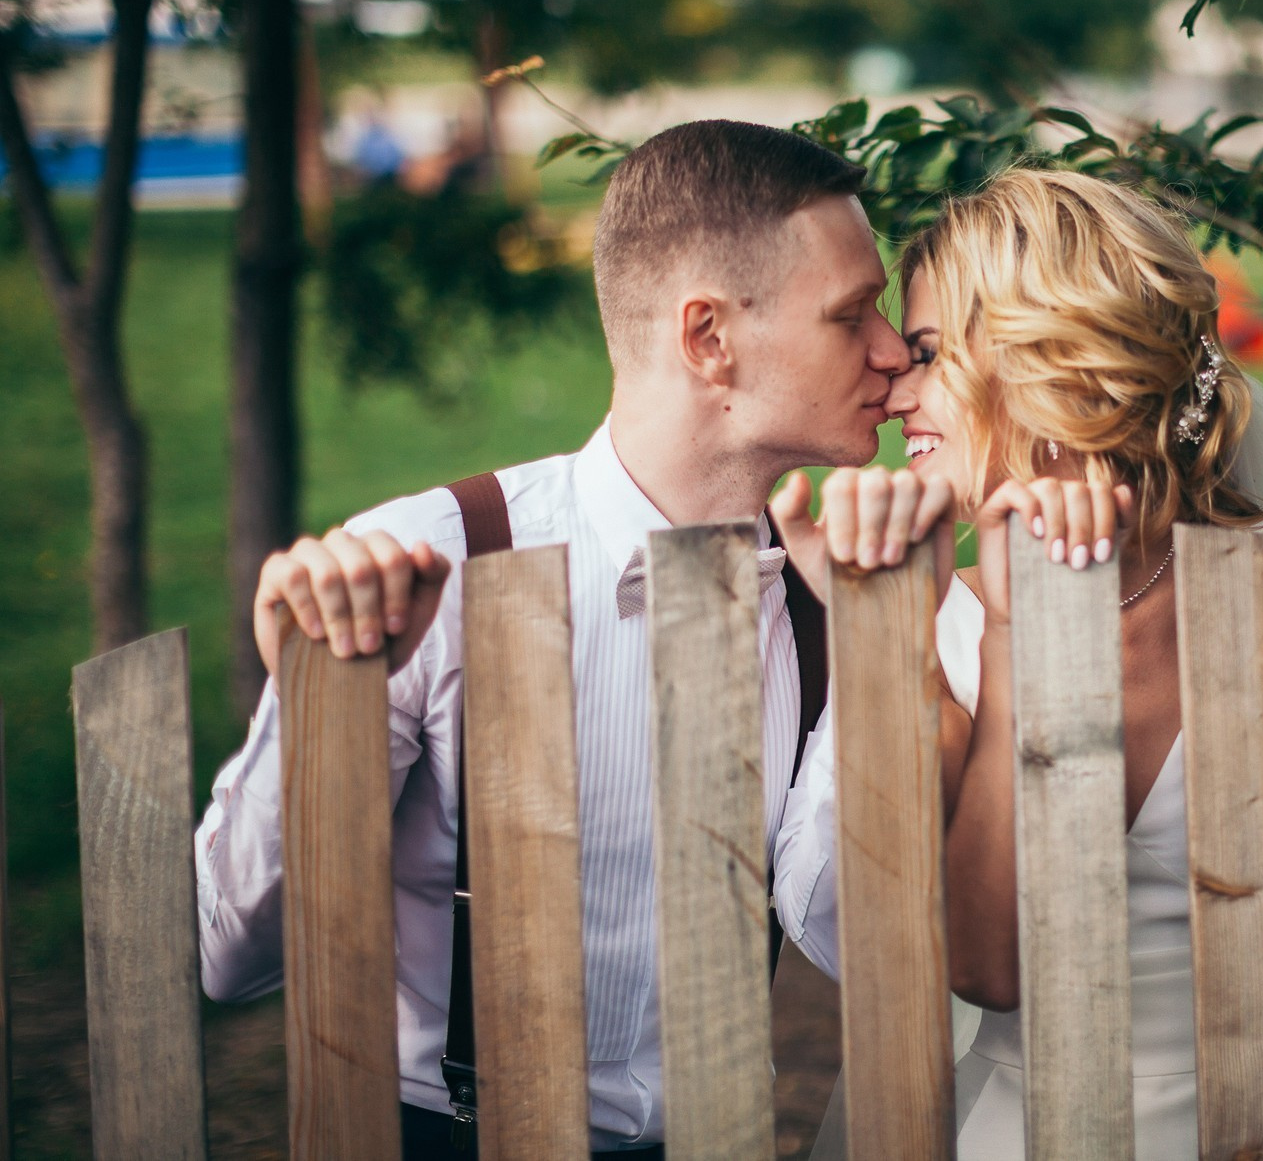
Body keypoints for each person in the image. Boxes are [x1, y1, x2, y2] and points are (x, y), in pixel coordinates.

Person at [194, 120, 930, 1158]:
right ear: (707, 337)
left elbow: (866, 944)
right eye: (852, 314)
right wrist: (323, 706)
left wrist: (881, 651)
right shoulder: (431, 564)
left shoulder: (825, 591)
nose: (893, 350)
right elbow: (230, 956)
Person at [771, 168, 1263, 1158]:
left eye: (927, 354)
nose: (894, 391)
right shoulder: (936, 622)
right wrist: (1008, 638)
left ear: (1054, 360)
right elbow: (986, 970)